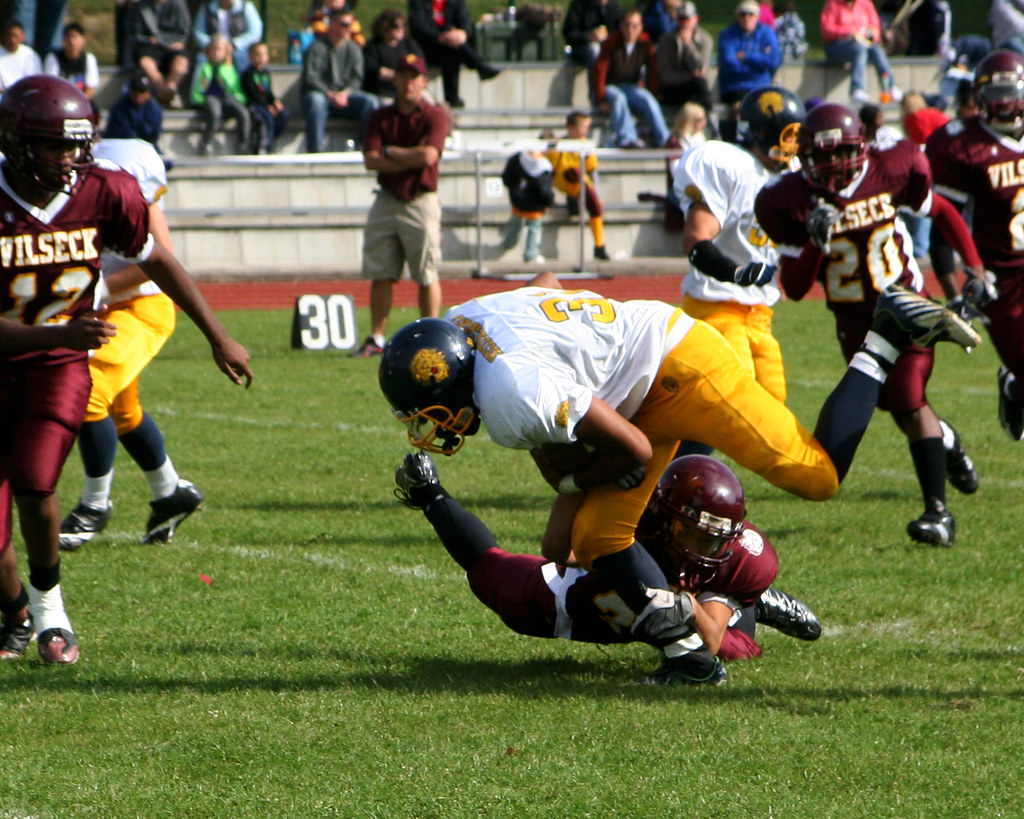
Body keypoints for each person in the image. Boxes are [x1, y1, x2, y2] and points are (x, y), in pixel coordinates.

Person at [378, 267, 978, 651]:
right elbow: (548, 279)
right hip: (636, 384)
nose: (428, 428)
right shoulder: (462, 320)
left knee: (816, 475)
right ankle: (685, 650)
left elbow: (632, 451)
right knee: (596, 537)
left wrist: (572, 476)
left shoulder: (507, 396)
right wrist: (574, 471)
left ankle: (885, 338)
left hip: (682, 368)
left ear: (449, 382)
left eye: (427, 414)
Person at [0, 76, 252, 664]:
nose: (70, 160)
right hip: (31, 347)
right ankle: (12, 613)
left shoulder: (102, 190)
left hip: (58, 365)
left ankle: (50, 614)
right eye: (55, 146)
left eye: (77, 146)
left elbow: (157, 259)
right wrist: (63, 329)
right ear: (15, 141)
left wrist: (217, 334)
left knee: (37, 484)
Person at [753, 102, 983, 546]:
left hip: (908, 304)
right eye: (823, 156)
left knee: (909, 400)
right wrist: (817, 242)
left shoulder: (894, 166)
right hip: (853, 318)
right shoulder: (786, 198)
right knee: (896, 406)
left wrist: (973, 267)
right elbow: (797, 288)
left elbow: (943, 212)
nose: (833, 165)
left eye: (841, 153)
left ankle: (938, 512)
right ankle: (948, 441)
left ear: (861, 147)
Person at [394, 450, 822, 686]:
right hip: (583, 604)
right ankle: (430, 495)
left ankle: (754, 601)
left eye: (716, 538)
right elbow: (567, 552)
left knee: (732, 647)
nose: (708, 547)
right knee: (496, 579)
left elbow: (709, 639)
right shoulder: (631, 524)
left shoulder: (737, 553)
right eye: (698, 535)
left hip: (688, 598)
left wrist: (686, 601)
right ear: (666, 518)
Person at [58, 137, 203, 552]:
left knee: (86, 391)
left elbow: (162, 256)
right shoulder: (38, 179)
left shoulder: (121, 168)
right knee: (124, 412)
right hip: (99, 311)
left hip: (141, 305)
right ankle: (170, 492)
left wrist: (98, 287)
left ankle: (94, 504)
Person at [674, 86, 806, 443]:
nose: (795, 143)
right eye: (789, 134)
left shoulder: (789, 179)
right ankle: (666, 474)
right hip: (716, 305)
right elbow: (696, 240)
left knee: (771, 400)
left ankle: (676, 470)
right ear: (763, 132)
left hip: (759, 313)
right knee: (734, 397)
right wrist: (734, 272)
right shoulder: (732, 167)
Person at [925, 48, 1024, 443]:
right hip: (1001, 278)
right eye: (995, 93)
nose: (1004, 102)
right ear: (979, 98)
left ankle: (1015, 386)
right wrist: (954, 294)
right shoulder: (962, 145)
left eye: (1010, 92)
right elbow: (942, 226)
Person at [355, 54, 447, 358]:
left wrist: (392, 152)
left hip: (420, 199)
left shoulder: (435, 114)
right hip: (387, 198)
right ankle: (377, 338)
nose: (408, 82)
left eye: (414, 76)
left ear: (423, 81)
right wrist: (410, 157)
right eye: (403, 76)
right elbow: (371, 160)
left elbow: (429, 157)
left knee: (426, 272)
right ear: (395, 79)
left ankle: (432, 337)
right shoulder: (381, 116)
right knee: (380, 271)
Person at [301, 7, 379, 153]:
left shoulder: (354, 49)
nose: (349, 28)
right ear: (332, 24)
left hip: (346, 98)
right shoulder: (316, 47)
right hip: (323, 96)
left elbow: (357, 79)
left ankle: (365, 148)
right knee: (315, 101)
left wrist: (345, 93)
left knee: (371, 102)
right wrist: (329, 94)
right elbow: (311, 78)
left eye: (350, 24)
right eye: (344, 24)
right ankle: (315, 152)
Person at [592, 9, 669, 149]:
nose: (630, 30)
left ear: (641, 27)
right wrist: (601, 98)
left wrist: (653, 91)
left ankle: (664, 138)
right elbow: (600, 71)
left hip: (631, 86)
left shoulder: (645, 43)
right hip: (610, 86)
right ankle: (627, 138)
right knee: (619, 98)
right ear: (621, 26)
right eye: (627, 25)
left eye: (634, 26)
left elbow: (653, 70)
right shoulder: (612, 42)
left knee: (647, 99)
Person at [407, 0, 500, 109]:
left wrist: (462, 34)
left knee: (450, 50)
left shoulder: (456, 2)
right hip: (428, 46)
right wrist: (439, 37)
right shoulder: (419, 2)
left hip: (451, 45)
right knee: (451, 47)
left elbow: (466, 24)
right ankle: (479, 65)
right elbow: (419, 27)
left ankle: (453, 98)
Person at [545, 111, 610, 260]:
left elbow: (592, 170)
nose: (586, 131)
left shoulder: (585, 145)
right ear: (571, 128)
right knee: (573, 172)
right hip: (563, 180)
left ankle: (599, 245)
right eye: (583, 127)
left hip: (581, 182)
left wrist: (597, 194)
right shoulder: (559, 144)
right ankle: (572, 198)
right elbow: (548, 169)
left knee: (594, 204)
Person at [820, 0, 902, 105]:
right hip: (838, 45)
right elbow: (826, 29)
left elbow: (875, 29)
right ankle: (857, 89)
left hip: (863, 43)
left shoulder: (866, 3)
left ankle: (890, 87)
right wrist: (849, 33)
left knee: (877, 50)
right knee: (859, 50)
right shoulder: (833, 3)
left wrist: (867, 35)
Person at [190, 35, 251, 157]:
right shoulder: (204, 68)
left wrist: (238, 98)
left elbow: (235, 89)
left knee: (243, 113)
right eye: (213, 49)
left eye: (218, 50)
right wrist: (199, 100)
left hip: (226, 97)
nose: (215, 53)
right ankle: (206, 142)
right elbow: (197, 90)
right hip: (210, 97)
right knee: (215, 112)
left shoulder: (229, 68)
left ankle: (243, 144)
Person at [128, 0, 192, 108]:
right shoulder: (140, 6)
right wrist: (150, 41)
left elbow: (183, 33)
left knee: (181, 62)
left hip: (173, 46)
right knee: (146, 63)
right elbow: (135, 33)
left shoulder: (178, 4)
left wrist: (164, 41)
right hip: (149, 47)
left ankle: (171, 88)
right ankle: (167, 93)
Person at [717, 0, 780, 105]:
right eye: (743, 14)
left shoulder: (767, 33)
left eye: (751, 14)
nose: (747, 18)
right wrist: (759, 65)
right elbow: (729, 64)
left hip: (761, 85)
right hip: (735, 86)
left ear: (757, 16)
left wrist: (746, 57)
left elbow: (773, 61)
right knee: (746, 104)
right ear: (737, 17)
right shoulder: (727, 35)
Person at [656, 1, 713, 113]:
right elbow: (665, 74)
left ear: (695, 19)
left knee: (701, 85)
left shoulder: (705, 39)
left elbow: (700, 67)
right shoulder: (666, 40)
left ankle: (707, 119)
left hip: (695, 87)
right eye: (681, 19)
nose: (684, 23)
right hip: (674, 88)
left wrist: (687, 45)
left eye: (687, 19)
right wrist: (690, 76)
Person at [501, 146, 555, 264]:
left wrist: (515, 189)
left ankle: (509, 243)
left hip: (518, 200)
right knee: (534, 228)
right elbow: (544, 190)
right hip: (535, 205)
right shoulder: (543, 166)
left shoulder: (517, 158)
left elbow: (506, 178)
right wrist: (548, 202)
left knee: (516, 222)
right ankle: (531, 253)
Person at [363, 9, 426, 101]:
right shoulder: (373, 46)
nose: (401, 29)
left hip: (410, 89)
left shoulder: (409, 44)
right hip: (383, 92)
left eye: (403, 25)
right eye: (396, 26)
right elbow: (373, 70)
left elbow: (420, 64)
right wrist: (398, 76)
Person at [241, 41, 291, 154]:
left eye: (264, 54)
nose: (261, 57)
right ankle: (265, 145)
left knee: (284, 114)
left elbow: (267, 92)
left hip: (266, 105)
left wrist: (275, 102)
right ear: (251, 56)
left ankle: (271, 139)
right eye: (258, 54)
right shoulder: (248, 74)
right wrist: (267, 106)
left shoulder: (265, 73)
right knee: (267, 118)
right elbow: (252, 94)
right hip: (255, 105)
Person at [192, 0, 263, 73]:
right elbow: (198, 32)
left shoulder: (246, 7)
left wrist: (234, 45)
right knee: (201, 60)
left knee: (243, 60)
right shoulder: (207, 8)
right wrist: (214, 46)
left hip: (239, 50)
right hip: (212, 50)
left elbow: (255, 32)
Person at [103, 72, 165, 153]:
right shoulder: (120, 106)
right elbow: (117, 132)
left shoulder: (154, 109)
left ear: (148, 94)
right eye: (135, 91)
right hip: (122, 147)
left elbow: (153, 133)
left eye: (142, 91)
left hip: (147, 146)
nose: (138, 95)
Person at [42, 22, 100, 103]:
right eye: (68, 37)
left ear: (83, 39)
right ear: (63, 40)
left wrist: (79, 103)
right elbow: (51, 85)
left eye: (74, 37)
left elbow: (90, 89)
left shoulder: (89, 59)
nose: (71, 41)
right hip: (59, 102)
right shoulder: (53, 58)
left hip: (82, 103)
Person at [562, 0, 623, 69]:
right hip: (582, 49)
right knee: (595, 49)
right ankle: (596, 79)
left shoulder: (614, 6)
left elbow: (620, 30)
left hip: (607, 47)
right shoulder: (579, 4)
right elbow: (569, 33)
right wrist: (589, 37)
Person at [0, 19, 42, 93]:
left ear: (22, 36)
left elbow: (36, 81)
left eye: (15, 36)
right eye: (9, 36)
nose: (12, 40)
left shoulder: (30, 55)